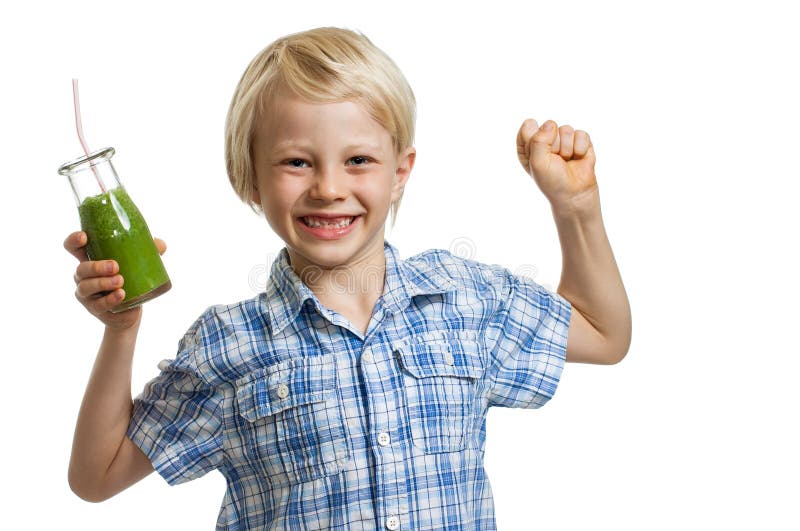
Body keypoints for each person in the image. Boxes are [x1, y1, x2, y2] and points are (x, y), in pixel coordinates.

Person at [65, 26, 632, 530]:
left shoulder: (465, 301)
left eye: (357, 160)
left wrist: (575, 207)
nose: (329, 187)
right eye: (297, 162)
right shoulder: (229, 345)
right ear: (250, 177)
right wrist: (121, 329)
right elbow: (98, 475)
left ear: (399, 172)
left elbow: (604, 335)